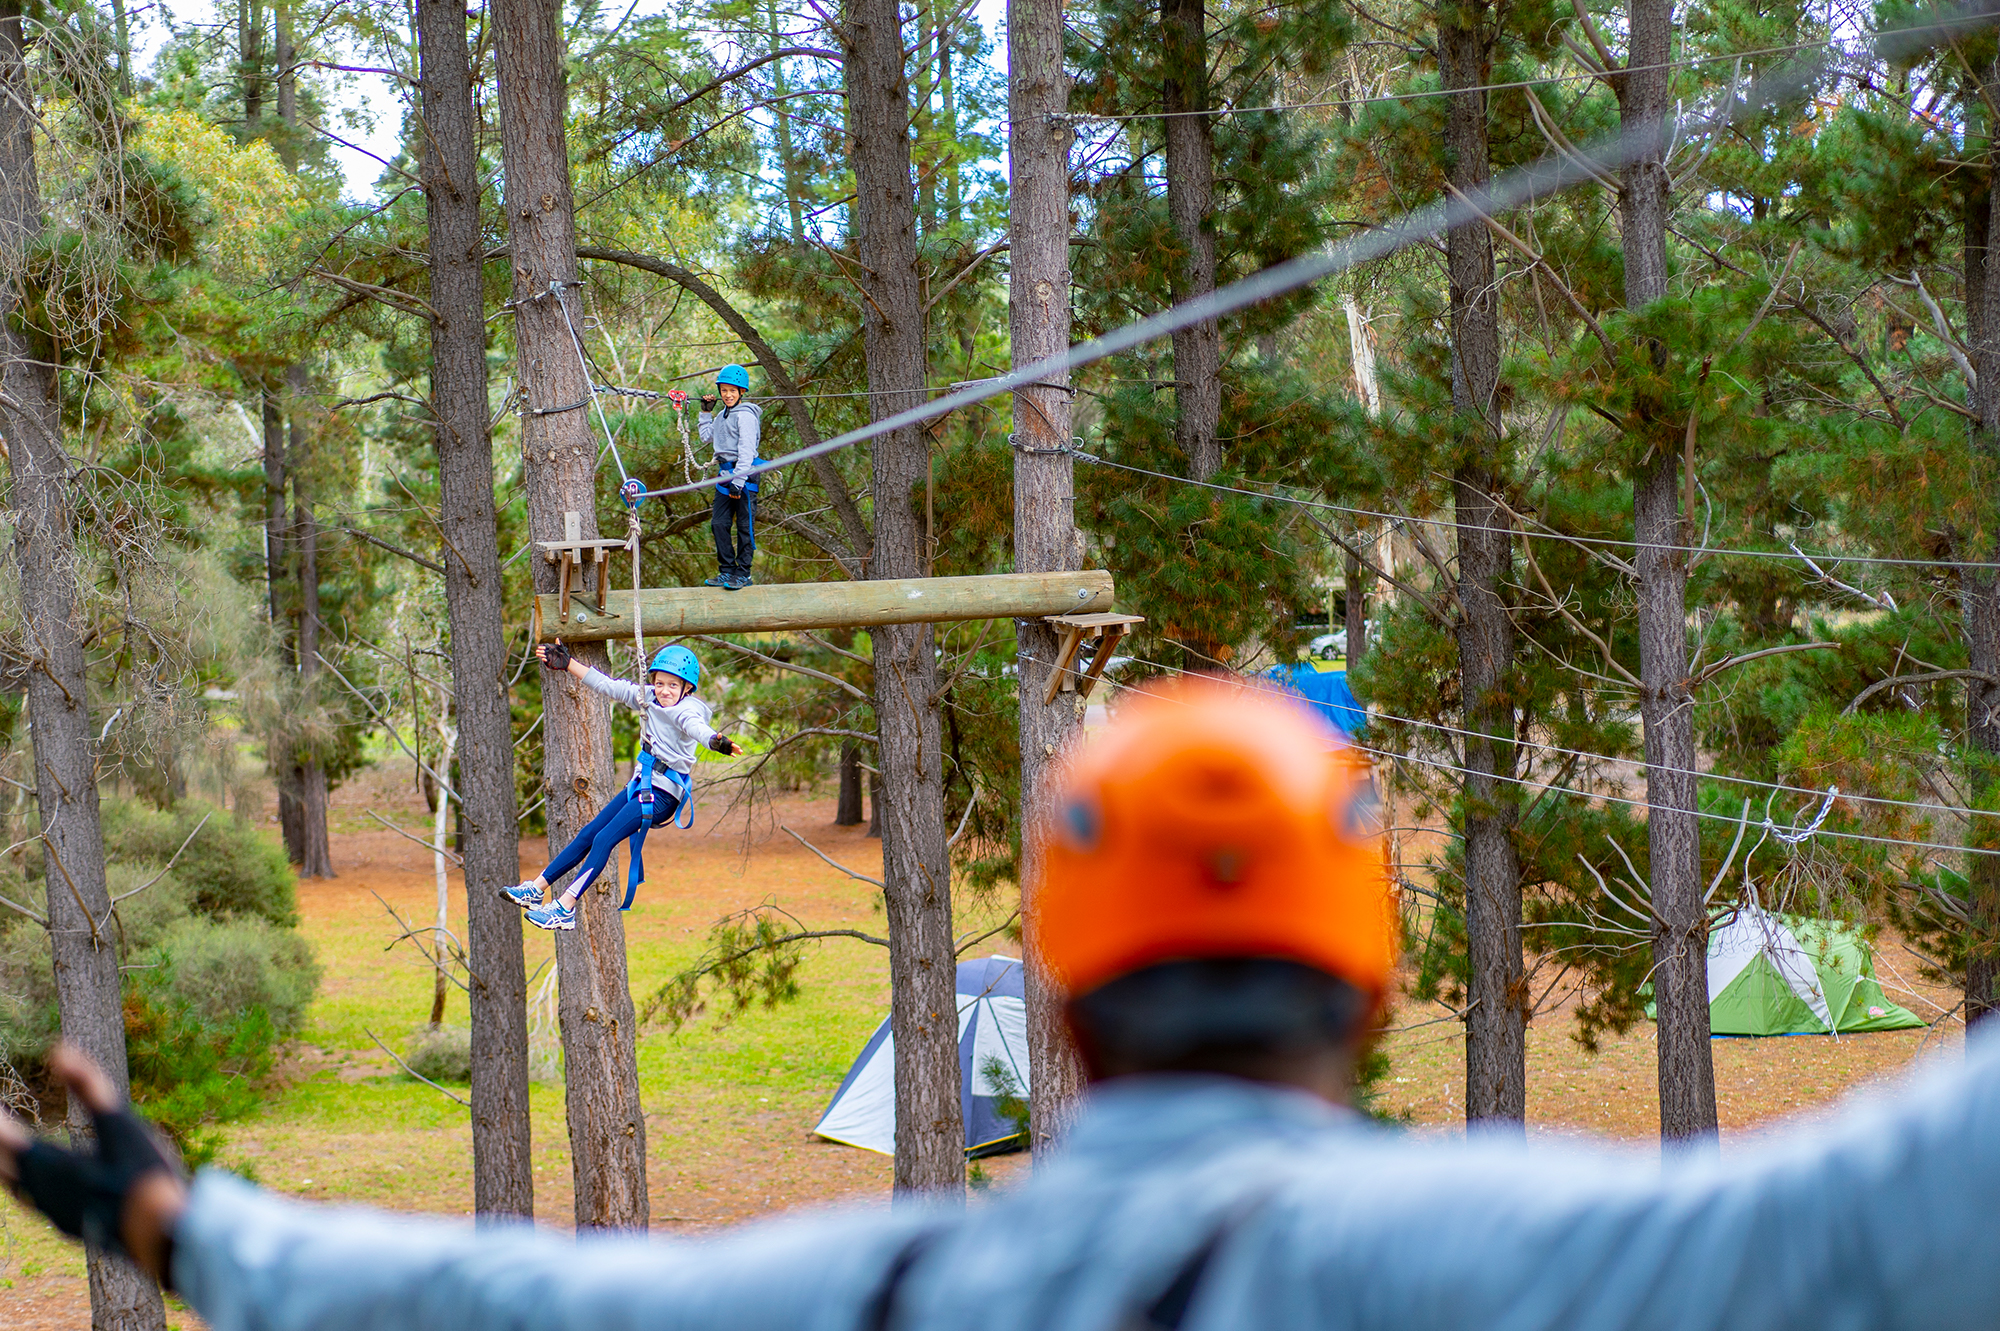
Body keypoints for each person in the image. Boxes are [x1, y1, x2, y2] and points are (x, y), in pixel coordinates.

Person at [7, 677, 2000, 1331]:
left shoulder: (875, 1287)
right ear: (1373, 983)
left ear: (1058, 983)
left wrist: (178, 1219)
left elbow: (498, 1305)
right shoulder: (1546, 1249)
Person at [500, 642, 742, 931]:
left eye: (673, 686)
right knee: (589, 833)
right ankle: (536, 889)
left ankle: (564, 908)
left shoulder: (686, 712)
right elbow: (609, 686)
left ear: (687, 689)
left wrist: (715, 741)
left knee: (604, 840)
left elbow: (696, 729)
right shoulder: (648, 697)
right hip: (642, 784)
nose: (664, 691)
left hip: (662, 795)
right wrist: (568, 665)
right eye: (660, 683)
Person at [700, 364, 761, 590]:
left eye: (732, 391)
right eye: (724, 390)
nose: (727, 395)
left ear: (742, 392)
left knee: (745, 526)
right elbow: (706, 437)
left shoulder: (745, 416)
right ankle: (726, 570)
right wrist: (706, 413)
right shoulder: (721, 417)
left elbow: (746, 450)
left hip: (743, 476)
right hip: (724, 475)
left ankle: (743, 572)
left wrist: (739, 481)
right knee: (719, 524)